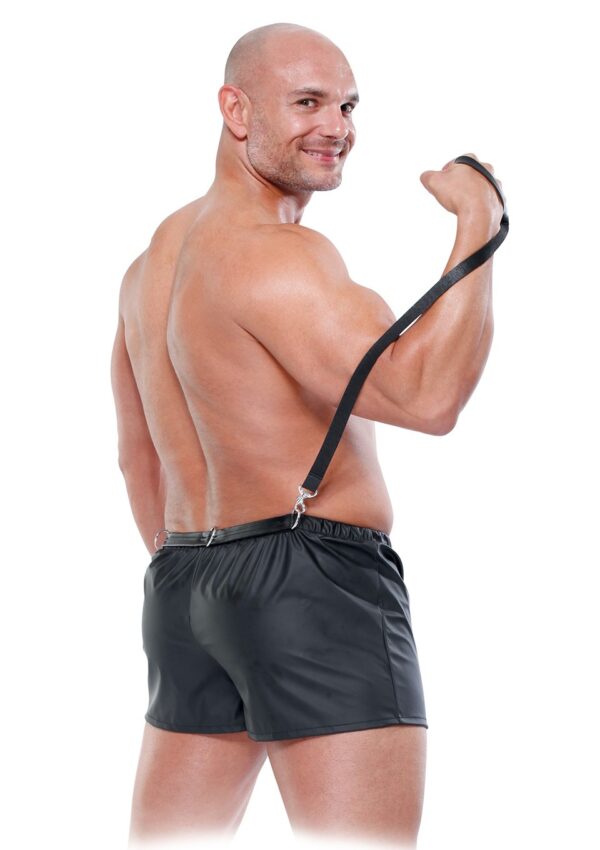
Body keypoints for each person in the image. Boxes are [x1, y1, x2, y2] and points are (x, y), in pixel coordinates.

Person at [110, 20, 504, 849]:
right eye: (308, 102)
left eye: (348, 105)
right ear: (236, 109)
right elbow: (428, 398)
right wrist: (480, 220)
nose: (337, 127)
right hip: (310, 580)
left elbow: (136, 454)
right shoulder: (276, 255)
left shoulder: (149, 268)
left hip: (183, 585)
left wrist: (215, 582)